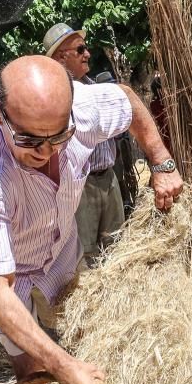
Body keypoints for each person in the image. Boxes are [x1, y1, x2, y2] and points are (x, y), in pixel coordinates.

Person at [0, 55, 183, 384]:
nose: (46, 151)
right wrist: (60, 365)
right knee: (35, 367)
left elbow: (128, 102)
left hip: (59, 250)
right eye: (29, 140)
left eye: (59, 136)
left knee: (85, 338)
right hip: (2, 273)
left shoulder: (82, 108)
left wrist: (162, 163)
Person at [44, 22, 125, 263]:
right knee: (87, 256)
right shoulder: (53, 97)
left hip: (109, 179)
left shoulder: (94, 88)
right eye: (80, 50)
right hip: (80, 186)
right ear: (61, 57)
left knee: (118, 249)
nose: (87, 54)